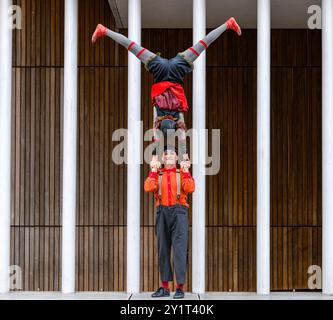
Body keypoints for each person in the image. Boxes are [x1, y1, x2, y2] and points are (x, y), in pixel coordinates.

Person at [91, 18, 242, 160]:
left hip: (176, 69)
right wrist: (160, 155)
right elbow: (158, 134)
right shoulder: (158, 113)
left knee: (202, 44)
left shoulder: (177, 117)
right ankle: (104, 30)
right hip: (161, 69)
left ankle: (228, 24)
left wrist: (184, 156)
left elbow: (181, 136)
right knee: (132, 47)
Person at [144, 145, 195, 299]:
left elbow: (191, 188)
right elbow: (148, 187)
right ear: (163, 158)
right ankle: (165, 288)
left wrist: (186, 171)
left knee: (180, 250)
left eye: (172, 153)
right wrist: (153, 169)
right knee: (163, 249)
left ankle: (180, 288)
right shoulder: (157, 174)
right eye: (166, 154)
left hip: (180, 212)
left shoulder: (182, 173)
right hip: (162, 212)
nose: (169, 156)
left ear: (177, 157)